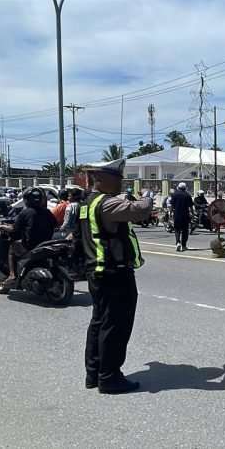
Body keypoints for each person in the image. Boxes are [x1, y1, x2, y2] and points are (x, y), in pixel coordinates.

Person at [78, 159, 153, 394]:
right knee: (116, 325)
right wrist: (147, 196)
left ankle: (94, 373)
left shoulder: (87, 203)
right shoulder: (107, 204)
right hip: (114, 273)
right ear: (99, 179)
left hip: (98, 271)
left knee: (99, 322)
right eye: (116, 177)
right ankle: (109, 377)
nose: (121, 182)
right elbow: (141, 211)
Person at [0, 187, 57, 287]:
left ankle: (12, 275)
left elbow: (14, 228)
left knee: (12, 248)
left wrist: (2, 227)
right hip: (46, 243)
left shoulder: (25, 213)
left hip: (30, 245)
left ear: (26, 200)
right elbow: (55, 224)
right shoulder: (47, 212)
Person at [170, 182, 194, 252]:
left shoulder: (175, 195)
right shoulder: (188, 195)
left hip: (177, 215)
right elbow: (191, 207)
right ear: (185, 188)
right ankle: (183, 245)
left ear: (178, 188)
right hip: (185, 216)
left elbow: (171, 206)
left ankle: (178, 243)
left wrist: (170, 213)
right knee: (185, 231)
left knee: (177, 230)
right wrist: (192, 214)